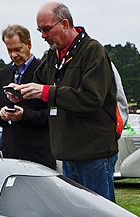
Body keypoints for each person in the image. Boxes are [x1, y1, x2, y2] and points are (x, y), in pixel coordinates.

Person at [12, 2, 119, 201]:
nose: (42, 36)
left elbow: (91, 99)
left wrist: (46, 92)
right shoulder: (55, 54)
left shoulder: (93, 52)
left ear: (64, 24)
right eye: (40, 30)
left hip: (94, 154)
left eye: (46, 29)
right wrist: (20, 93)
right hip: (67, 154)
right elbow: (38, 83)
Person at [0, 24, 54, 169]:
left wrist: (24, 115)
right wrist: (1, 114)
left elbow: (53, 115)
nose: (13, 55)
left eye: (18, 49)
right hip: (10, 154)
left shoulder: (46, 72)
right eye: (9, 50)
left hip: (39, 155)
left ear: (29, 44)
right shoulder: (1, 75)